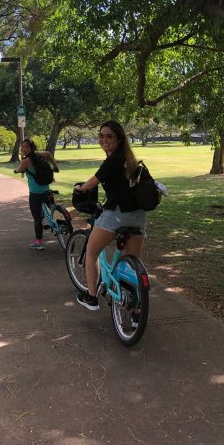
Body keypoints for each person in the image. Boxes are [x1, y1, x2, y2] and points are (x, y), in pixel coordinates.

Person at [74, 120, 146, 310]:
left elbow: (93, 181)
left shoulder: (113, 160)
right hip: (138, 216)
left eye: (109, 136)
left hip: (117, 215)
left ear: (119, 139)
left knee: (92, 251)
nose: (104, 139)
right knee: (133, 264)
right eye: (101, 135)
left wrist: (81, 188)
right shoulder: (129, 159)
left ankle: (91, 297)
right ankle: (136, 305)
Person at [13, 138, 59, 250]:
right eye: (22, 146)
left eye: (26, 147)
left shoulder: (25, 161)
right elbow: (48, 154)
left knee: (37, 218)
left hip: (35, 194)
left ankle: (38, 242)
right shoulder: (39, 155)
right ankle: (61, 226)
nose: (24, 149)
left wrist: (16, 170)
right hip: (46, 191)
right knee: (53, 211)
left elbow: (19, 170)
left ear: (31, 148)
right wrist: (55, 166)